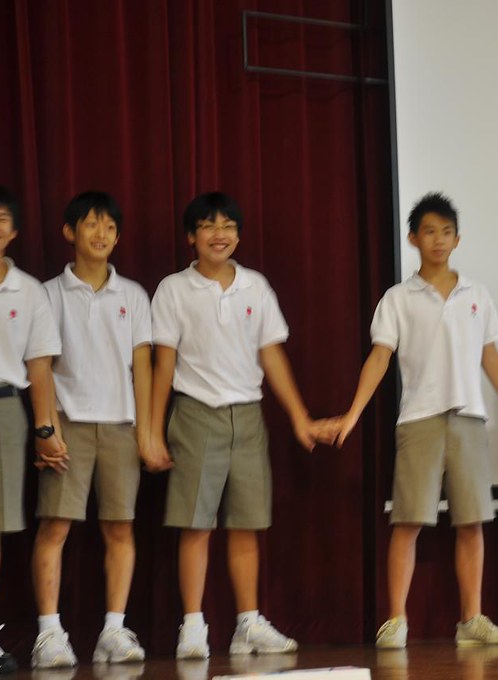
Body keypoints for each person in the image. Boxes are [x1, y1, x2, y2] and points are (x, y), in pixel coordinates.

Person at [323, 192, 498, 649]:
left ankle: (471, 618)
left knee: (472, 521)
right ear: (413, 237)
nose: (438, 240)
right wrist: (353, 414)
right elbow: (380, 357)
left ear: (458, 238)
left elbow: (489, 356)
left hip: (469, 417)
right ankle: (397, 619)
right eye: (429, 231)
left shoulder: (477, 294)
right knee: (408, 521)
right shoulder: (398, 297)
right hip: (419, 419)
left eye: (447, 231)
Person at [148, 192, 321, 658]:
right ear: (191, 237)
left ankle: (247, 623)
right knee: (195, 523)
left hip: (247, 415)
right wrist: (152, 429)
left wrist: (299, 417)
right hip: (195, 412)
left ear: (239, 235)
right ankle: (193, 626)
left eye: (228, 226)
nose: (219, 234)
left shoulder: (255, 287)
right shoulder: (173, 289)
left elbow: (272, 354)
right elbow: (162, 365)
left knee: (246, 524)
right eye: (207, 225)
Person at [32, 192, 158, 668]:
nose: (101, 234)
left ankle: (113, 628)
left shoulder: (133, 295)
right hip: (68, 425)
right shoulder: (47, 294)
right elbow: (39, 365)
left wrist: (146, 431)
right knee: (55, 526)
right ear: (70, 232)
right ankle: (49, 634)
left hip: (121, 425)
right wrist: (46, 428)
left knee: (120, 528)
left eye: (110, 227)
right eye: (91, 224)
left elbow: (142, 366)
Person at [0, 183, 64, 674]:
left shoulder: (30, 291)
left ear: (14, 229)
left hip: (3, 408)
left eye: (0, 217)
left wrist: (45, 430)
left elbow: (39, 367)